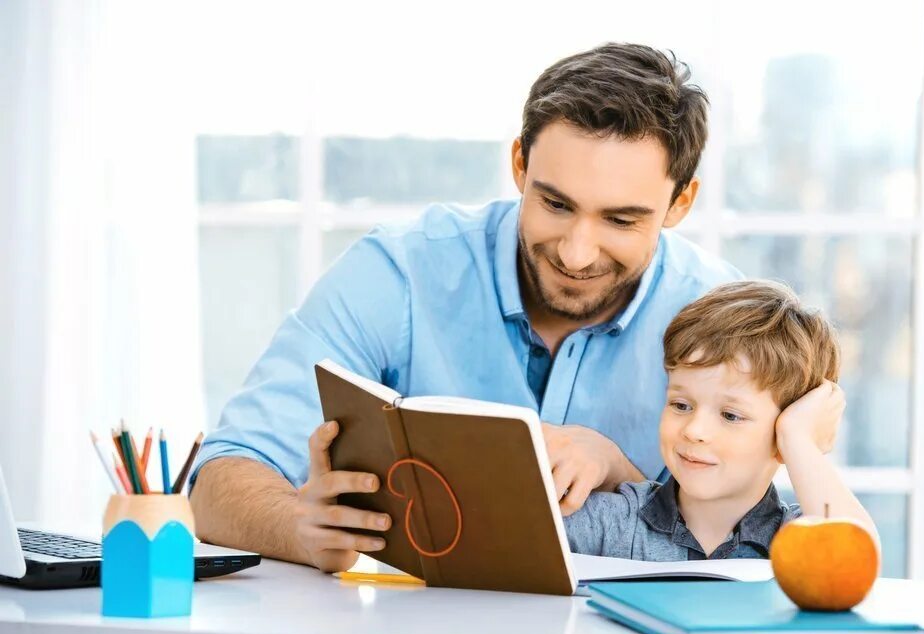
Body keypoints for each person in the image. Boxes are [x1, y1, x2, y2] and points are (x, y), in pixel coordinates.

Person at [188, 43, 830, 574]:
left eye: (621, 220)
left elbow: (765, 528)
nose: (578, 254)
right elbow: (219, 480)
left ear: (681, 204)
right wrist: (295, 526)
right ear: (520, 164)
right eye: (555, 204)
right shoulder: (401, 272)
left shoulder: (720, 322)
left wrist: (617, 469)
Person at [564, 280, 879, 560]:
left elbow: (857, 558)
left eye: (731, 415)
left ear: (781, 436)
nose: (695, 430)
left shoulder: (797, 538)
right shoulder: (611, 520)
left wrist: (799, 440)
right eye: (681, 405)